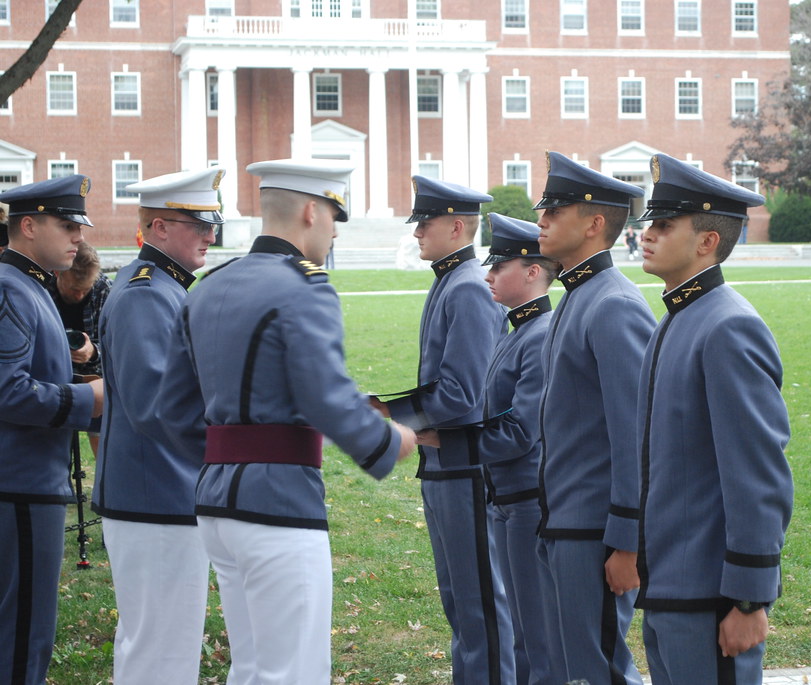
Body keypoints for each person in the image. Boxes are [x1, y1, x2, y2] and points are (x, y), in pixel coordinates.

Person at [157, 159, 417, 683]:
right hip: (278, 501)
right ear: (309, 211)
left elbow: (172, 410)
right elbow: (325, 392)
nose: (336, 229)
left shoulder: (208, 285)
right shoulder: (304, 285)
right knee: (293, 671)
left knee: (252, 667)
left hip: (215, 502)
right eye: (334, 215)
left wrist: (223, 453)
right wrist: (387, 440)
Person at [634, 153, 794, 685]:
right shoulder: (676, 320)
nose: (646, 235)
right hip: (671, 588)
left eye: (663, 225)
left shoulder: (727, 327)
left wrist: (749, 598)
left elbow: (756, 473)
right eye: (648, 224)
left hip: (710, 595)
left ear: (707, 241)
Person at [372, 176, 512, 685]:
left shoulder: (468, 287)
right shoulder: (451, 280)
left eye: (425, 223)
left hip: (465, 466)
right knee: (463, 603)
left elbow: (461, 394)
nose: (417, 234)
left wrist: (389, 412)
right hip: (445, 465)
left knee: (481, 609)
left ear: (457, 226)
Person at [93, 166, 225, 684]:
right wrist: (228, 449)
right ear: (160, 228)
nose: (211, 234)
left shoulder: (159, 286)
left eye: (211, 223)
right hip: (156, 494)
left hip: (155, 491)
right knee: (162, 651)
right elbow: (157, 410)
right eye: (198, 223)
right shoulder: (149, 294)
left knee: (154, 643)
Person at [417, 213, 559, 685]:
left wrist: (440, 437)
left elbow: (520, 431)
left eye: (500, 267)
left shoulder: (539, 336)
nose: (489, 274)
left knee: (532, 636)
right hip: (503, 497)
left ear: (534, 271)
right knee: (511, 629)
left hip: (523, 501)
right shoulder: (517, 331)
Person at [533, 151, 655, 685]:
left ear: (594, 223)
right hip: (565, 522)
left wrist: (627, 541)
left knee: (596, 671)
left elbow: (635, 434)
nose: (541, 220)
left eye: (554, 210)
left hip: (594, 532)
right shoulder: (577, 298)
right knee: (572, 668)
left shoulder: (612, 304)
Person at [0, 175, 104, 685]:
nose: (77, 237)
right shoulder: (11, 287)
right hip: (19, 483)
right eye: (66, 225)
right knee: (23, 635)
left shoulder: (28, 284)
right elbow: (7, 391)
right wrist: (90, 397)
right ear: (27, 226)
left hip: (28, 481)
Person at [47, 241, 111, 455]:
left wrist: (93, 352)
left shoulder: (104, 289)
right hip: (52, 380)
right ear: (58, 274)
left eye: (85, 290)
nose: (79, 296)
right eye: (74, 289)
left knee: (103, 449)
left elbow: (116, 345)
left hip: (96, 381)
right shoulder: (41, 288)